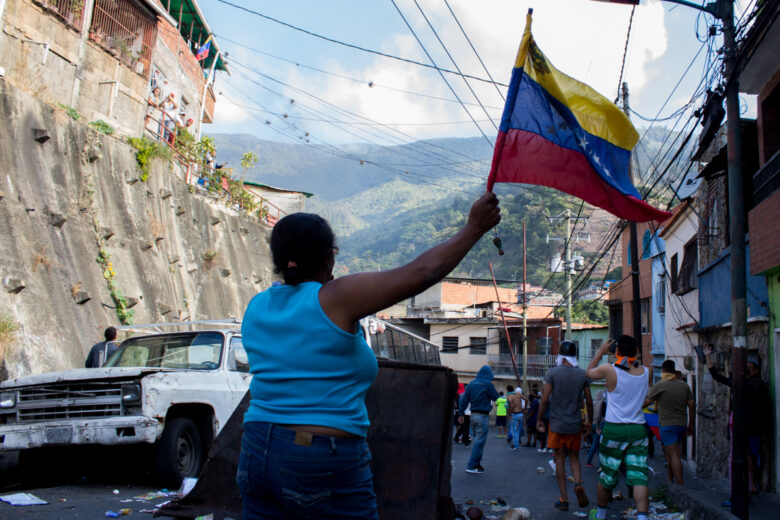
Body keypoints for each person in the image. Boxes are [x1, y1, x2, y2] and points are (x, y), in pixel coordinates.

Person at [238, 192, 500, 518]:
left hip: (255, 447)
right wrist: (474, 228)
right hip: (317, 454)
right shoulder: (333, 299)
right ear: (328, 258)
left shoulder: (257, 306)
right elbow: (423, 272)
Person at [585, 336, 650, 520]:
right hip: (638, 429)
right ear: (637, 351)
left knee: (608, 474)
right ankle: (642, 517)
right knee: (639, 475)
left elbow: (588, 373)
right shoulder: (647, 372)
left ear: (617, 351)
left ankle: (601, 514)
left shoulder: (609, 369)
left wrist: (600, 351)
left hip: (614, 428)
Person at [704, 345, 770, 496]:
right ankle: (749, 484)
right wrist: (708, 357)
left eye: (749, 369)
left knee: (749, 455)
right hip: (747, 426)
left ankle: (750, 484)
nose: (746, 371)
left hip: (749, 427)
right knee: (748, 454)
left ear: (756, 371)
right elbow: (717, 376)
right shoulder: (744, 384)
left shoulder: (753, 385)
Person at [537, 340, 592, 511]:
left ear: (560, 355)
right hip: (575, 424)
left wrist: (539, 419)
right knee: (575, 457)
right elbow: (589, 401)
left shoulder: (553, 373)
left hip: (557, 424)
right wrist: (589, 421)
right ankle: (578, 483)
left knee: (559, 460)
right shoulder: (582, 374)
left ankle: (564, 499)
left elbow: (544, 399)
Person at [645, 360, 694, 485]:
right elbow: (692, 405)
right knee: (670, 452)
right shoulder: (684, 386)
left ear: (663, 370)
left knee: (674, 454)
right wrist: (691, 424)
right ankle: (669, 479)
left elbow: (647, 402)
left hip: (667, 424)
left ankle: (680, 485)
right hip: (681, 423)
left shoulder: (661, 385)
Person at [458, 365, 500, 474]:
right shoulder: (488, 384)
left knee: (478, 440)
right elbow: (496, 397)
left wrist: (461, 413)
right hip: (483, 415)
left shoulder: (471, 384)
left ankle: (477, 464)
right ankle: (472, 465)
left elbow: (464, 400)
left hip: (473, 415)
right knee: (480, 441)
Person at [586, 389, 607, 469]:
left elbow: (588, 414)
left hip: (591, 424)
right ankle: (590, 462)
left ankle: (600, 463)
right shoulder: (601, 403)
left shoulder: (593, 402)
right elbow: (599, 416)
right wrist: (598, 427)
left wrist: (588, 423)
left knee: (596, 444)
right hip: (598, 425)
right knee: (596, 444)